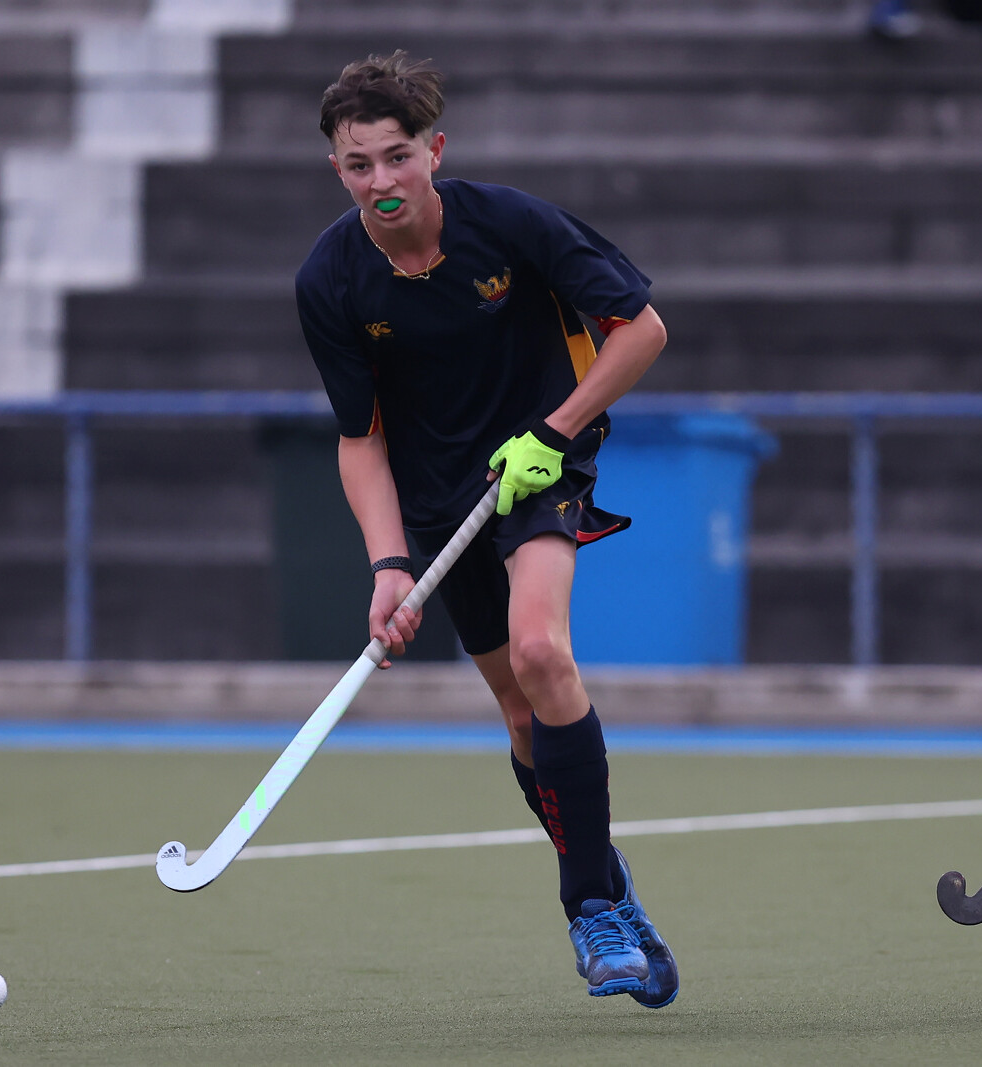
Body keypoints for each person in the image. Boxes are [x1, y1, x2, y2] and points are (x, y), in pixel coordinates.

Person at [294, 51, 677, 1006]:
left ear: (435, 150)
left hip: (540, 469)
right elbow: (360, 439)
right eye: (358, 165)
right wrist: (389, 563)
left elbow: (641, 330)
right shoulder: (331, 279)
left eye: (397, 156)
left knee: (543, 653)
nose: (381, 181)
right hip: (440, 505)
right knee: (518, 715)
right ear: (336, 169)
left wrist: (555, 431)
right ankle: (611, 881)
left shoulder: (511, 224)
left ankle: (590, 907)